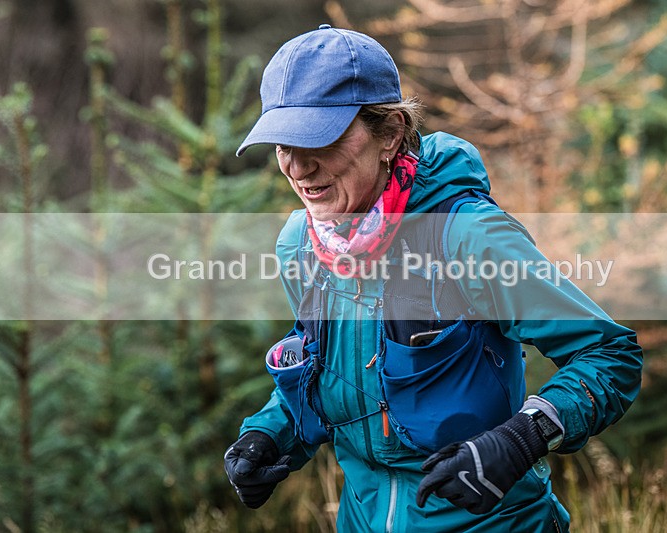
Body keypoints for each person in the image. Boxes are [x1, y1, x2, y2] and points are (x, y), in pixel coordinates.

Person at [224, 24, 642, 532]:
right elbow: (324, 373)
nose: (296, 166)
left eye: (320, 139)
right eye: (282, 143)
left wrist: (521, 438)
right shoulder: (302, 245)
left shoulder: (466, 236)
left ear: (391, 132)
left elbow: (609, 355)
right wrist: (269, 435)